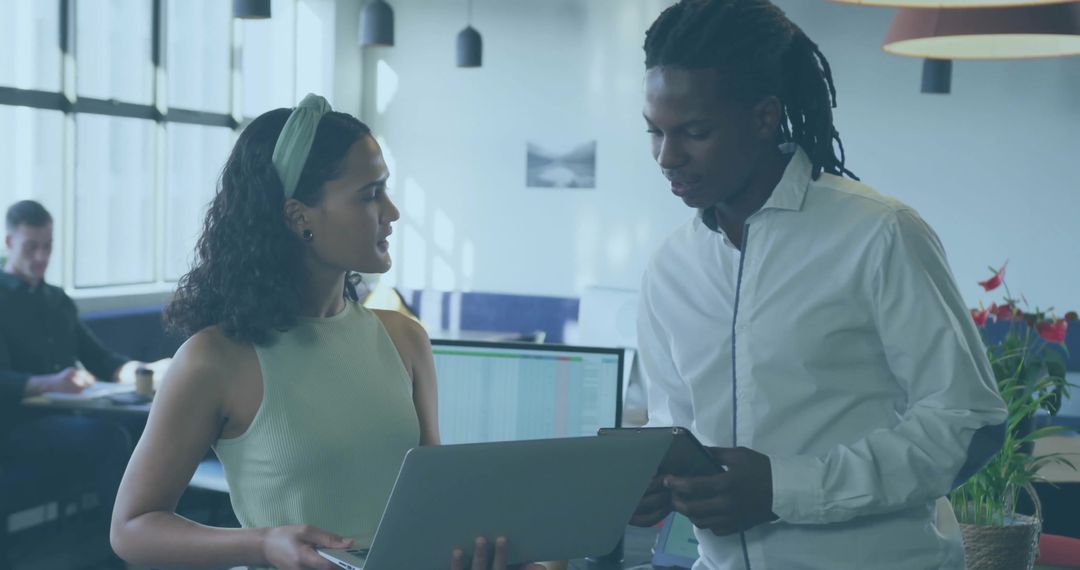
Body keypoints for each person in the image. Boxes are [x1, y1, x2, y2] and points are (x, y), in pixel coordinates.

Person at [629, 1, 1008, 568]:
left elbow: (969, 425)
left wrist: (787, 490)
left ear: (763, 117)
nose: (667, 156)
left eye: (694, 132)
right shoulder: (670, 266)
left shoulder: (879, 234)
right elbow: (672, 426)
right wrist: (649, 483)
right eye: (655, 132)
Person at [109, 95, 541, 570]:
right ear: (299, 217)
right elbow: (132, 528)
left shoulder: (404, 339)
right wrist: (260, 543)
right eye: (369, 194)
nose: (391, 212)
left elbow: (431, 504)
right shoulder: (215, 359)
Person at [0, 200, 139, 520]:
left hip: (68, 416)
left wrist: (141, 371)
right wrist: (50, 383)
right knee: (109, 437)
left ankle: (160, 533)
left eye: (47, 247)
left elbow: (100, 359)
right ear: (9, 243)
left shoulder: (57, 300)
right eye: (31, 247)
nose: (41, 257)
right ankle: (130, 548)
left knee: (150, 422)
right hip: (17, 424)